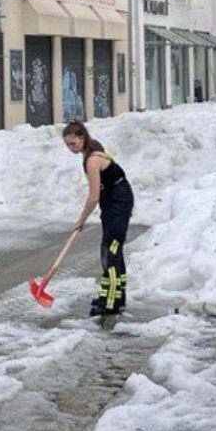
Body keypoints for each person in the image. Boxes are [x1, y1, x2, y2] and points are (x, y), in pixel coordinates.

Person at [62, 121, 133, 320]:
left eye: (73, 144)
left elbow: (93, 196)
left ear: (82, 138)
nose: (70, 148)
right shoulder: (94, 148)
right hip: (113, 201)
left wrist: (81, 220)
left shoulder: (92, 159)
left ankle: (111, 304)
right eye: (67, 145)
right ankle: (114, 298)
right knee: (110, 250)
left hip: (118, 203)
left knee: (111, 251)